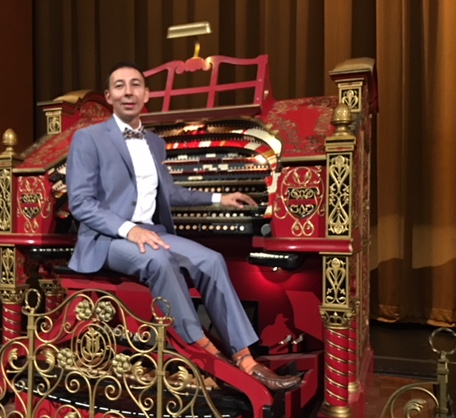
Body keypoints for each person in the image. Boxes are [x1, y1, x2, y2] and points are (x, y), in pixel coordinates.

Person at [66, 61, 300, 391]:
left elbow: (171, 194)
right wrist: (129, 230)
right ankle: (202, 350)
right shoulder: (87, 139)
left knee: (212, 260)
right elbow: (81, 203)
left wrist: (220, 198)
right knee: (157, 260)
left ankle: (245, 358)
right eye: (119, 86)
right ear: (108, 96)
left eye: (135, 84)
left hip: (151, 232)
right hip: (108, 239)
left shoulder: (155, 143)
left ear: (146, 94)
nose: (128, 91)